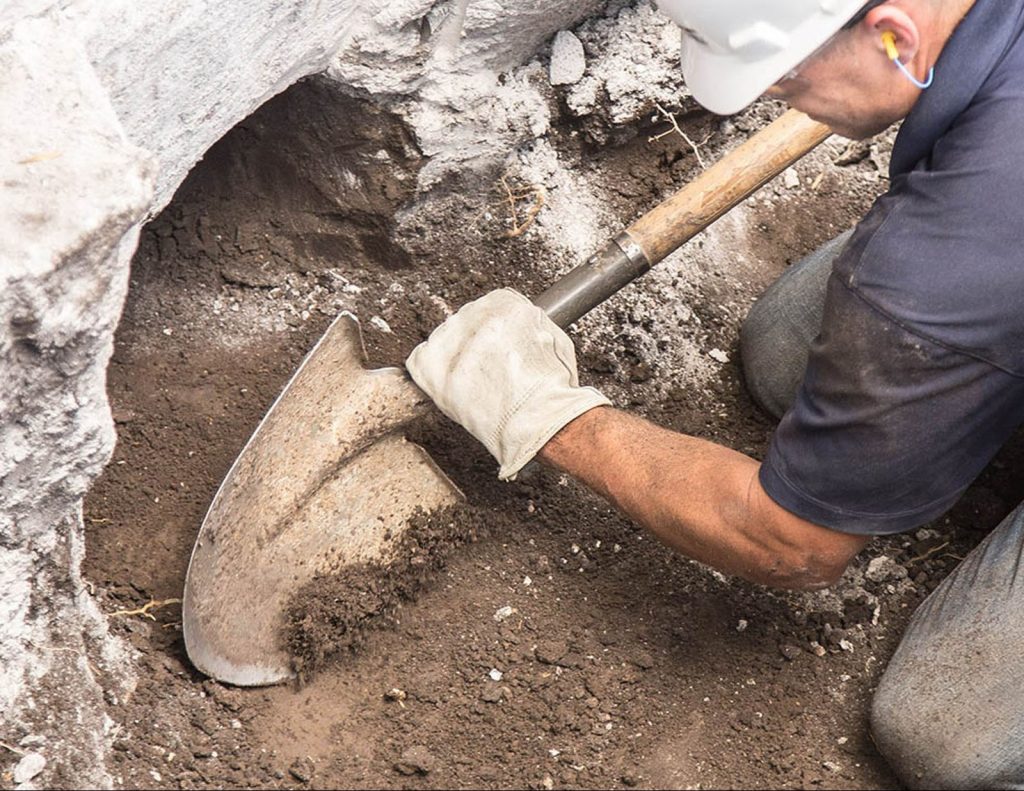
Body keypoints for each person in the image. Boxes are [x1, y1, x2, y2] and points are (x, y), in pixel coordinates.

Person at [406, 0, 1024, 786]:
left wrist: (546, 412)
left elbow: (790, 545)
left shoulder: (936, 273)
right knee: (780, 356)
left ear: (895, 34)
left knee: (943, 735)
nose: (771, 98)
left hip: (989, 245)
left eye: (784, 77)